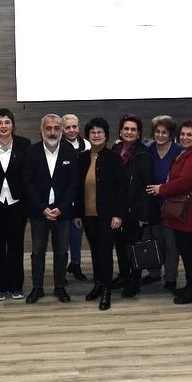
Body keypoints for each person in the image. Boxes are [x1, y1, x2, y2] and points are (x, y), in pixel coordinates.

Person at [23, 114, 79, 304]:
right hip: (40, 212)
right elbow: (28, 183)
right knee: (38, 251)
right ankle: (37, 288)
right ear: (42, 131)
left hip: (62, 213)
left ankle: (59, 287)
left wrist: (61, 208)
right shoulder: (31, 152)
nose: (52, 132)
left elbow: (73, 183)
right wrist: (42, 208)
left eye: (56, 128)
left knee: (61, 251)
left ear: (62, 131)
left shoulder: (69, 152)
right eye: (48, 128)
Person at [148, 120, 192, 305]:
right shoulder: (184, 153)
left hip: (187, 212)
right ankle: (190, 286)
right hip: (180, 212)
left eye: (190, 135)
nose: (185, 137)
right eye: (183, 134)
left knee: (189, 252)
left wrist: (161, 189)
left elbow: (185, 182)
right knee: (186, 251)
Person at [0, 108, 31, 301]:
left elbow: (27, 174)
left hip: (17, 203)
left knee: (16, 245)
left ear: (13, 125)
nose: (3, 126)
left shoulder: (24, 144)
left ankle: (16, 285)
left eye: (7, 122)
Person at [73, 118, 124, 310]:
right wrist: (77, 214)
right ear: (88, 135)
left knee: (105, 252)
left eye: (99, 132)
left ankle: (106, 291)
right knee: (95, 251)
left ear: (106, 135)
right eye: (92, 132)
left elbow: (121, 189)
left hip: (108, 215)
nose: (96, 135)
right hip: (88, 215)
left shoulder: (114, 158)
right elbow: (78, 188)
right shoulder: (82, 158)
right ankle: (98, 284)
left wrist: (118, 214)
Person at [109, 114, 155, 298]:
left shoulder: (144, 154)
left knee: (133, 247)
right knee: (120, 246)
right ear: (120, 131)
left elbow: (148, 186)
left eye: (133, 129)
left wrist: (144, 214)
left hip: (135, 210)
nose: (129, 132)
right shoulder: (115, 150)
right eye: (126, 129)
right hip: (117, 208)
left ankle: (134, 282)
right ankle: (123, 275)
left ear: (139, 133)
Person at [144, 115, 183, 290]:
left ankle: (170, 277)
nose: (160, 135)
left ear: (170, 134)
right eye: (157, 131)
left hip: (172, 203)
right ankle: (154, 273)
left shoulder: (179, 151)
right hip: (151, 203)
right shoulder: (148, 149)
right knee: (154, 239)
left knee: (171, 243)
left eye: (164, 132)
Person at [62, 113, 90, 281]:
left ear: (79, 128)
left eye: (74, 126)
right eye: (68, 127)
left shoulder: (87, 144)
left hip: (82, 196)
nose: (71, 130)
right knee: (63, 236)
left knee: (77, 233)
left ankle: (76, 264)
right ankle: (61, 268)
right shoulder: (57, 145)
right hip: (64, 196)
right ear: (62, 130)